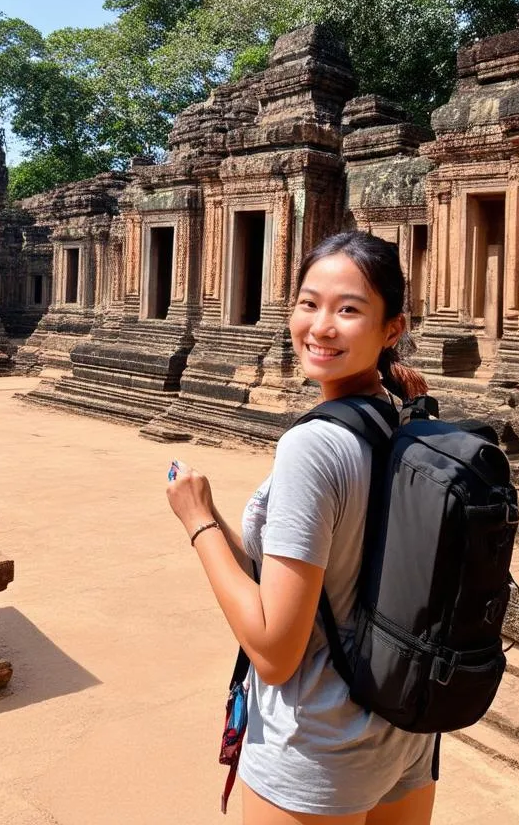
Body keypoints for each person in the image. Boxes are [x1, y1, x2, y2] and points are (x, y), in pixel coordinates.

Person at [166, 230, 437, 825]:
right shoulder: (406, 422)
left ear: (393, 328)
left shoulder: (313, 448)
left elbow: (274, 651)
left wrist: (195, 524)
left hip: (318, 742)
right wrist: (215, 518)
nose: (320, 326)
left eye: (349, 309)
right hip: (402, 729)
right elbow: (321, 582)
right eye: (309, 303)